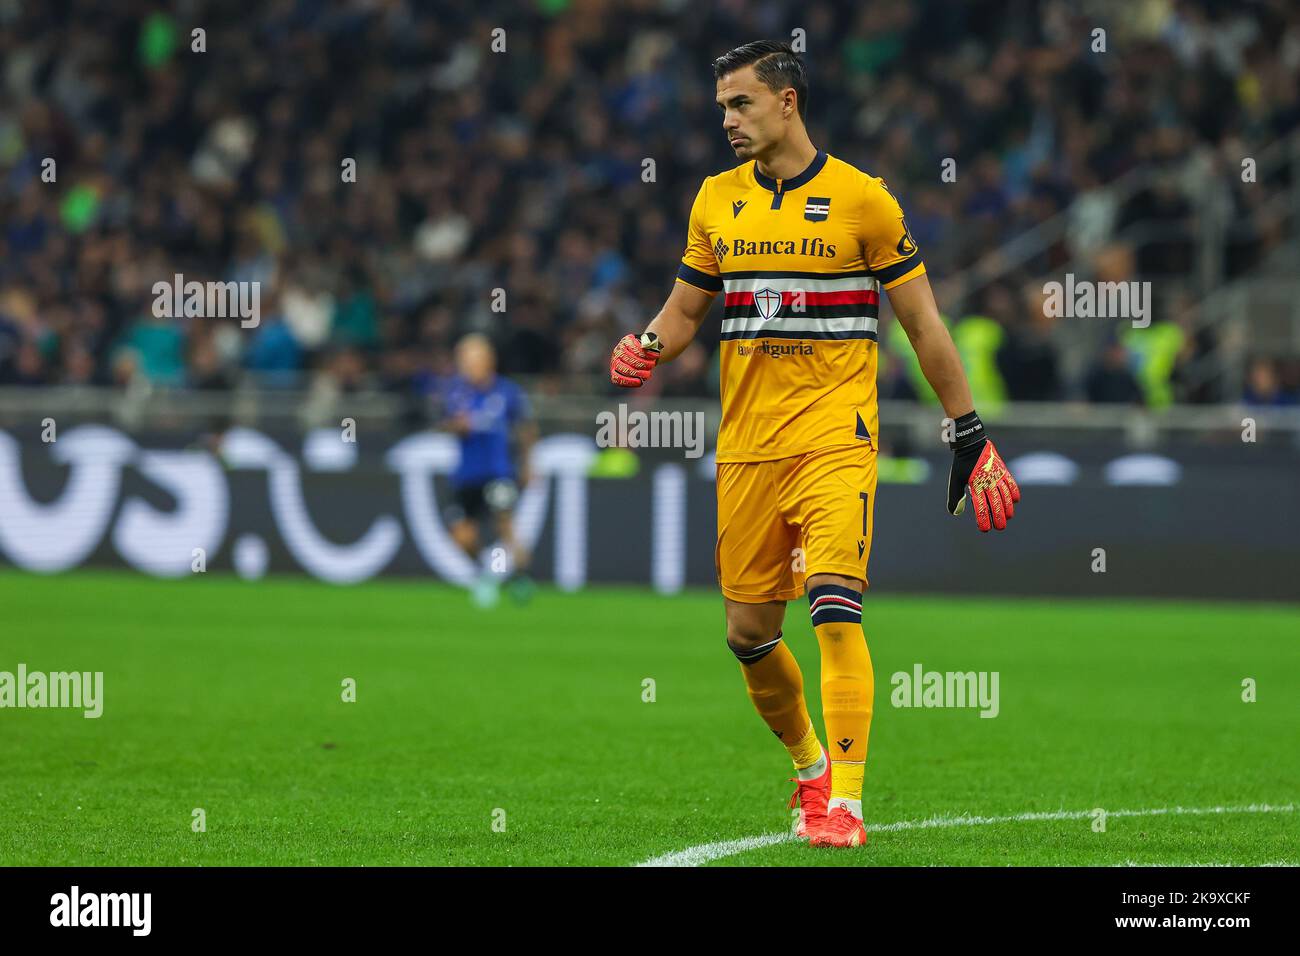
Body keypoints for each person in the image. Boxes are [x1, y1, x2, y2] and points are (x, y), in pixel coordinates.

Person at [609, 41, 1021, 848]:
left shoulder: (864, 201)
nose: (727, 121)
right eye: (722, 107)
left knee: (835, 606)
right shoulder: (715, 202)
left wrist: (967, 428)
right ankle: (809, 772)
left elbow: (922, 323)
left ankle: (848, 804)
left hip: (837, 437)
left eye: (741, 104)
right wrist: (648, 344)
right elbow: (688, 311)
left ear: (787, 102)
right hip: (747, 447)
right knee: (748, 635)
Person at [440, 334, 536, 605]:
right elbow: (444, 424)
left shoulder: (507, 392)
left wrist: (529, 465)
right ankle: (487, 572)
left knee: (505, 524)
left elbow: (526, 429)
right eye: (464, 360)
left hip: (498, 472)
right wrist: (456, 427)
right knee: (462, 536)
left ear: (488, 361)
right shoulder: (456, 393)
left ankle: (520, 577)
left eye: (472, 360)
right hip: (466, 475)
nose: (467, 366)